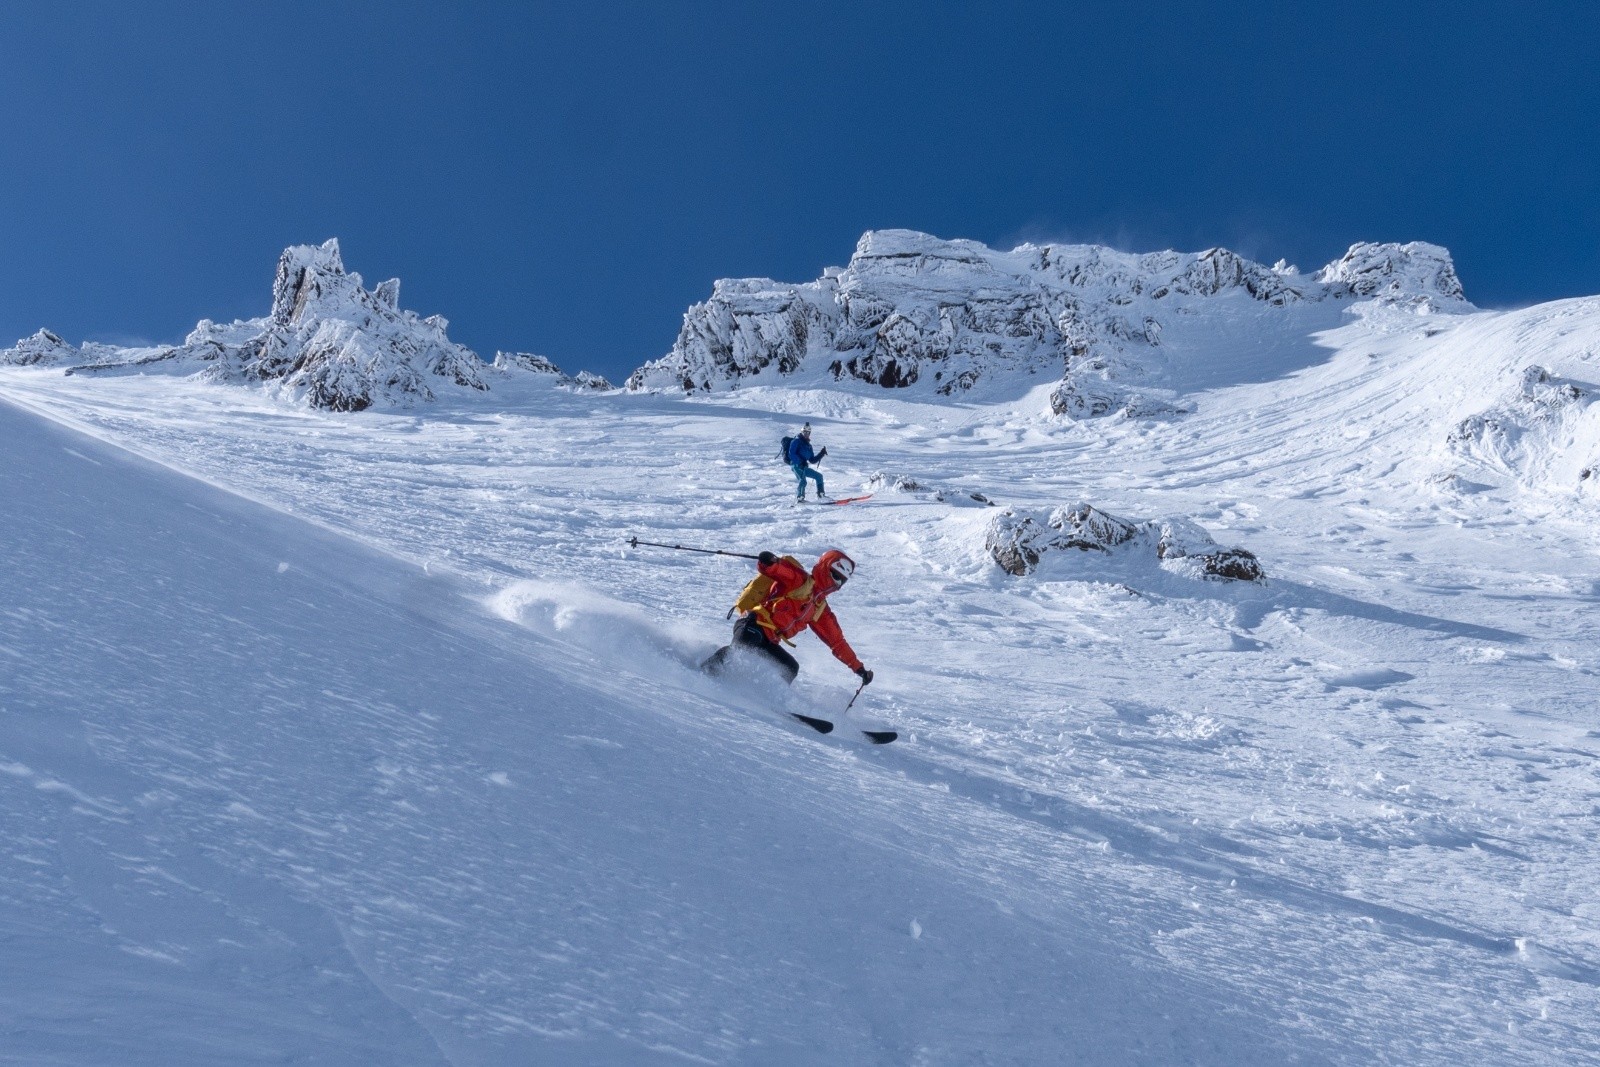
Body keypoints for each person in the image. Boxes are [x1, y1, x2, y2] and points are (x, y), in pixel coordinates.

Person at [702, 547, 873, 687]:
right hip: (753, 624)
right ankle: (704, 673)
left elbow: (837, 642)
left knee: (789, 668)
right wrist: (769, 562)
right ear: (825, 568)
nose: (836, 582)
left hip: (770, 640)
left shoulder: (820, 609)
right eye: (835, 575)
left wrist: (859, 669)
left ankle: (767, 696)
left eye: (841, 580)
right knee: (740, 650)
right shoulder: (799, 580)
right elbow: (778, 569)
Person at [786, 423, 828, 502]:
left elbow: (812, 460)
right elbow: (791, 453)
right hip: (796, 465)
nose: (806, 434)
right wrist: (799, 462)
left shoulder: (808, 446)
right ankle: (800, 498)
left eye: (808, 433)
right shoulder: (796, 441)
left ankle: (821, 495)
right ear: (802, 432)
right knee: (803, 480)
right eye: (805, 432)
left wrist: (821, 454)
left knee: (819, 476)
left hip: (804, 467)